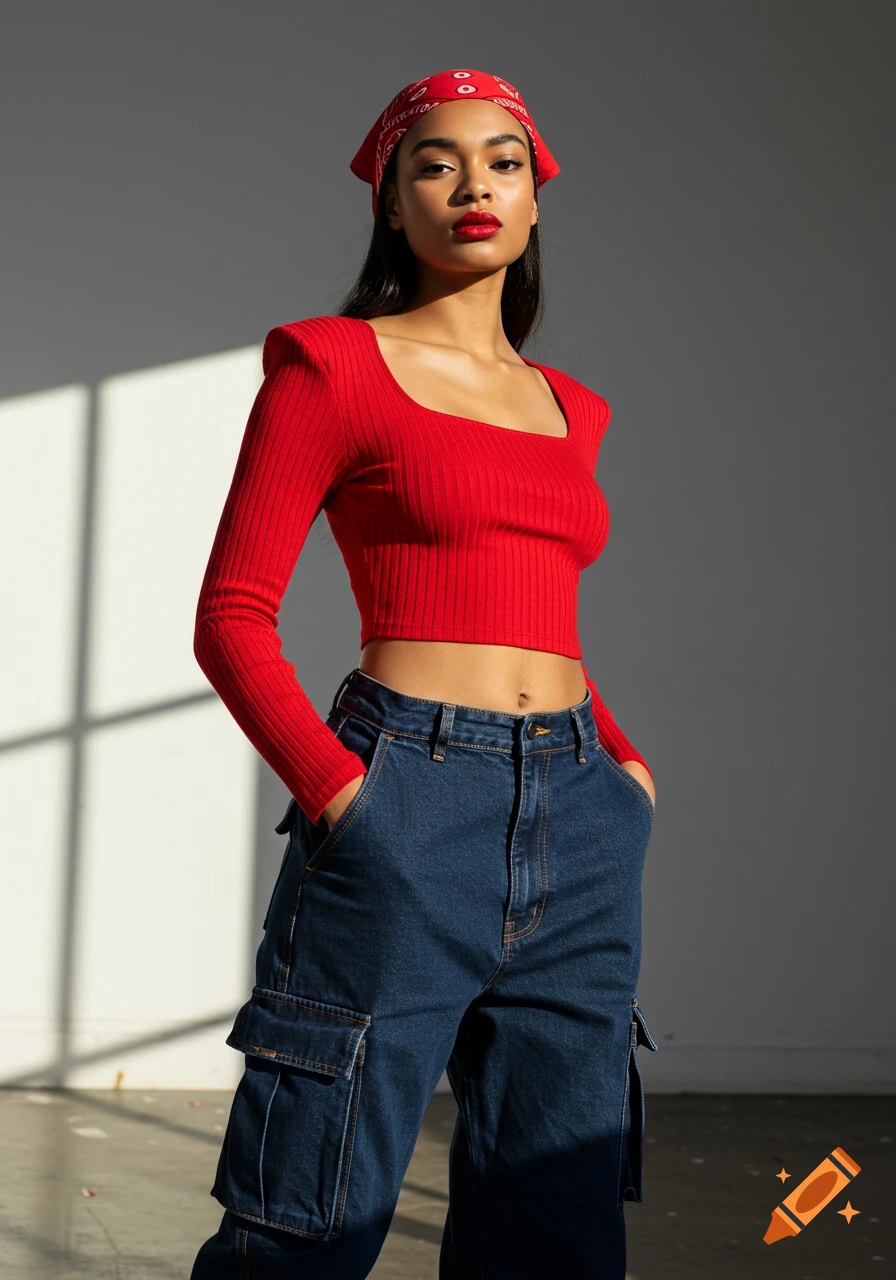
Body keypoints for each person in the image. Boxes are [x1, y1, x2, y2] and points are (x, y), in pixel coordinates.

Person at [189, 67, 658, 1280]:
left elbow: (539, 617)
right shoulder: (331, 365)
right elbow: (231, 616)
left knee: (557, 1229)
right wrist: (347, 798)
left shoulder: (572, 407)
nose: (471, 186)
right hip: (405, 791)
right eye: (434, 163)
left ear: (536, 197)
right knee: (309, 1218)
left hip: (580, 822)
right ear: (390, 202)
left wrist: (620, 770)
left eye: (503, 162)